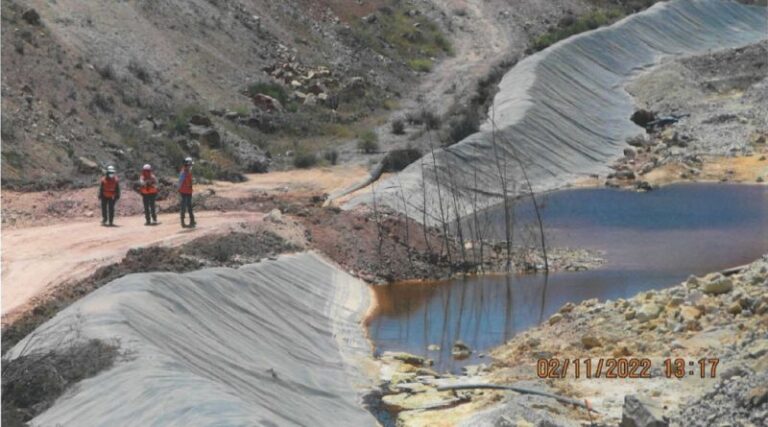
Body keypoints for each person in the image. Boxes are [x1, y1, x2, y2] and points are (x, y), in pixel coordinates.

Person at [178, 157, 196, 228]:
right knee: (185, 207)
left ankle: (192, 221)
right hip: (184, 192)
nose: (191, 166)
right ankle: (183, 222)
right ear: (187, 164)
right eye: (190, 165)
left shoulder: (187, 172)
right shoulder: (184, 172)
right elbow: (180, 182)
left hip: (188, 191)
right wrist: (179, 189)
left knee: (189, 206)